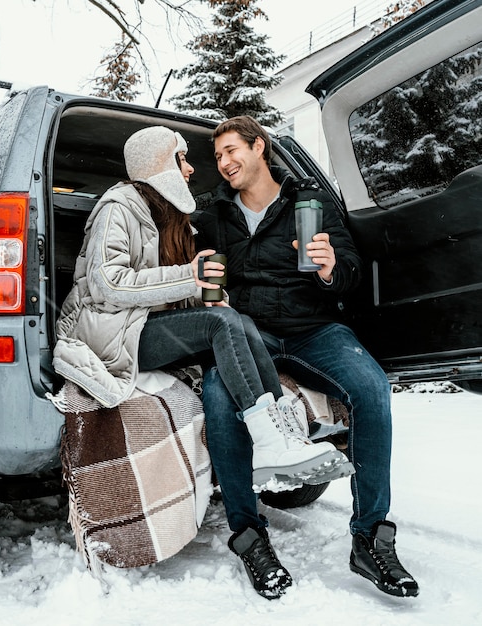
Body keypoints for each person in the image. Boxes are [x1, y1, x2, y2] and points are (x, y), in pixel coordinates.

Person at [53, 125, 353, 525]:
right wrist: (189, 277)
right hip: (111, 332)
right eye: (182, 159)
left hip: (145, 324)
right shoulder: (118, 205)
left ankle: (279, 436)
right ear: (158, 165)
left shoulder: (171, 217)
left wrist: (202, 293)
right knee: (220, 323)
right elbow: (108, 284)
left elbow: (173, 292)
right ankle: (267, 439)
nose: (191, 169)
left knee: (232, 317)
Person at [193, 115, 419, 600]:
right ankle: (249, 536)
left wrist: (331, 268)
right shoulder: (214, 215)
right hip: (249, 334)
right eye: (218, 157)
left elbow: (351, 273)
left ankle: (370, 538)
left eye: (232, 150)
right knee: (218, 394)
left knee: (371, 387)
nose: (225, 163)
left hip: (312, 329)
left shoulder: (309, 202)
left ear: (259, 147)